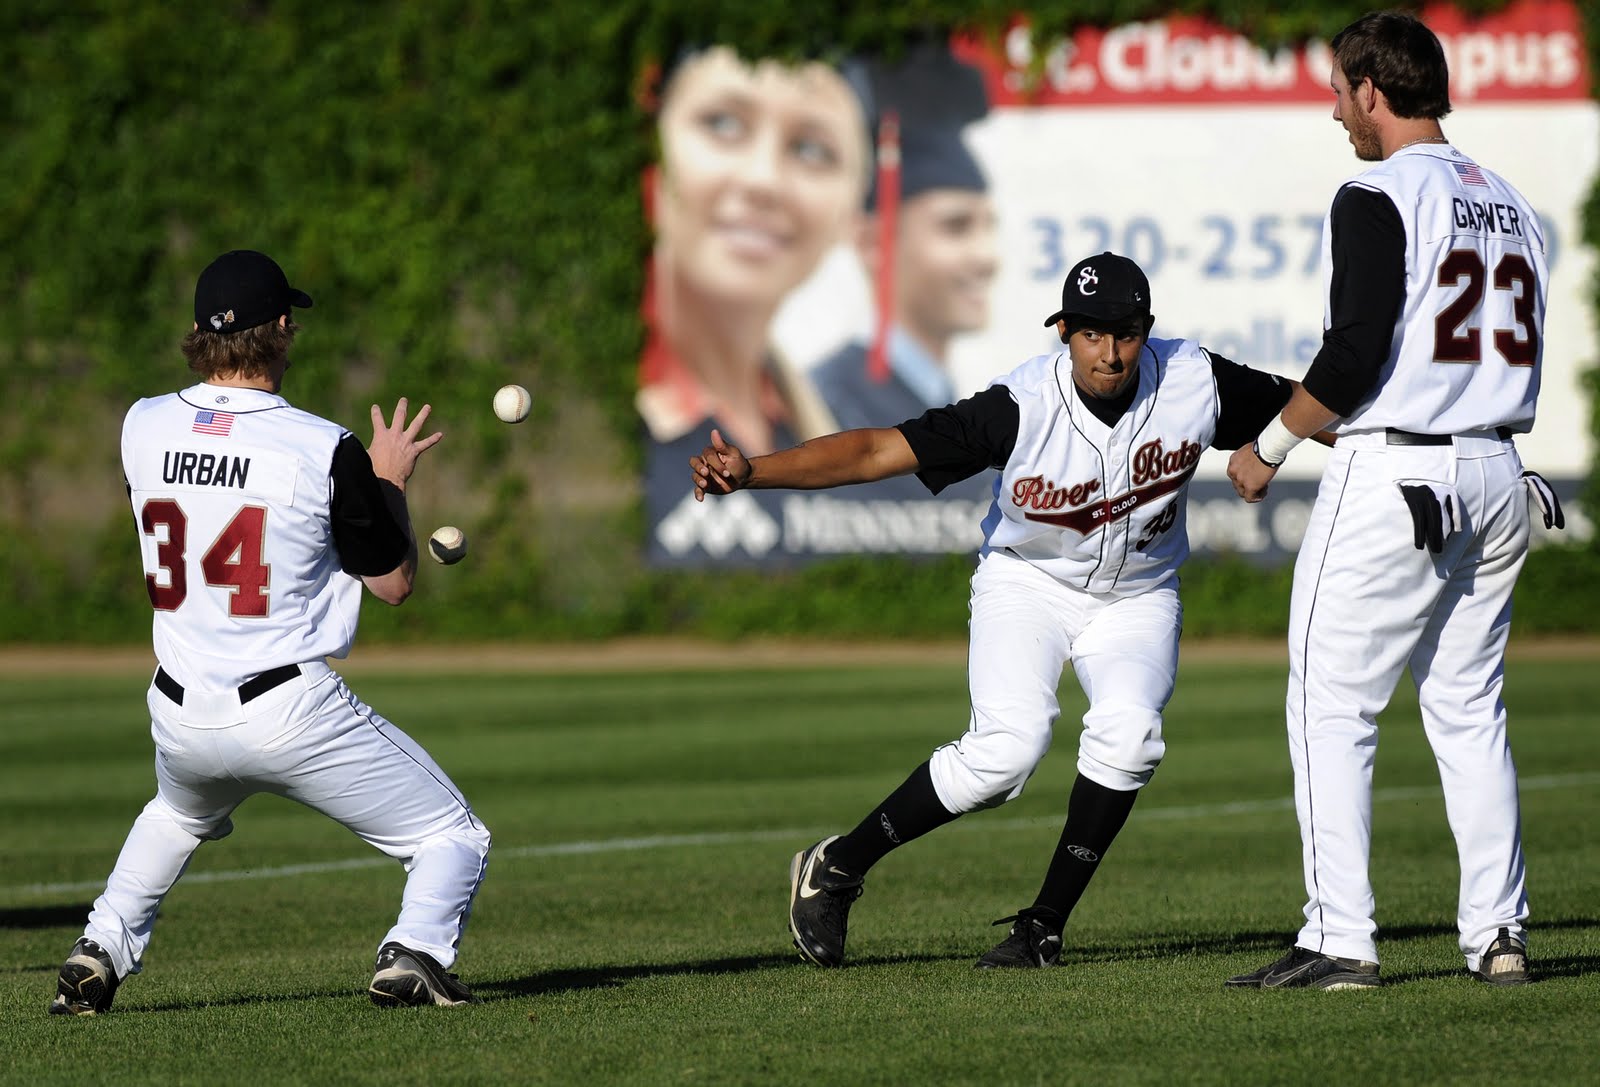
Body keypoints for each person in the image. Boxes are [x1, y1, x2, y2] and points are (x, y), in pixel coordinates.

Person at [692, 251, 1299, 969]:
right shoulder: (1019, 407)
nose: (1108, 352)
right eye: (1091, 333)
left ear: (1147, 330)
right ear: (1064, 329)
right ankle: (836, 866)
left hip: (1139, 594)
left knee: (1131, 735)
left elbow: (1312, 401)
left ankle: (1043, 924)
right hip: (1028, 586)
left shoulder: (1194, 378)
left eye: (1126, 333)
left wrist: (1371, 447)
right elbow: (877, 451)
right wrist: (756, 472)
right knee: (1004, 755)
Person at [49, 250, 492, 1015]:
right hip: (289, 707)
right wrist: (386, 482)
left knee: (177, 814)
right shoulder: (324, 447)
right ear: (282, 330)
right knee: (452, 835)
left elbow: (194, 481)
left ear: (197, 333)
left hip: (179, 706)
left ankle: (100, 947)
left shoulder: (141, 424)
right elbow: (393, 585)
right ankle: (415, 949)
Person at [1224, 12, 1557, 991]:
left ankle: (1340, 937)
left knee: (1329, 698)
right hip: (1500, 470)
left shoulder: (1374, 191)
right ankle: (1497, 936)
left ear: (1372, 88)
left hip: (1400, 471)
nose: (1334, 110)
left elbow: (1356, 351)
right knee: (1466, 706)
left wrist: (1270, 442)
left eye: (1338, 90)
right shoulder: (1515, 203)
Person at [640, 46, 870, 559]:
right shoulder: (628, 399)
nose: (763, 181)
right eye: (723, 123)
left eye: (812, 150)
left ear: (851, 212)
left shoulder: (828, 418)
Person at [810, 44, 998, 436]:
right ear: (871, 242)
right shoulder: (827, 407)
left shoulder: (947, 400)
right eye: (956, 226)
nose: (987, 256)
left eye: (989, 227)